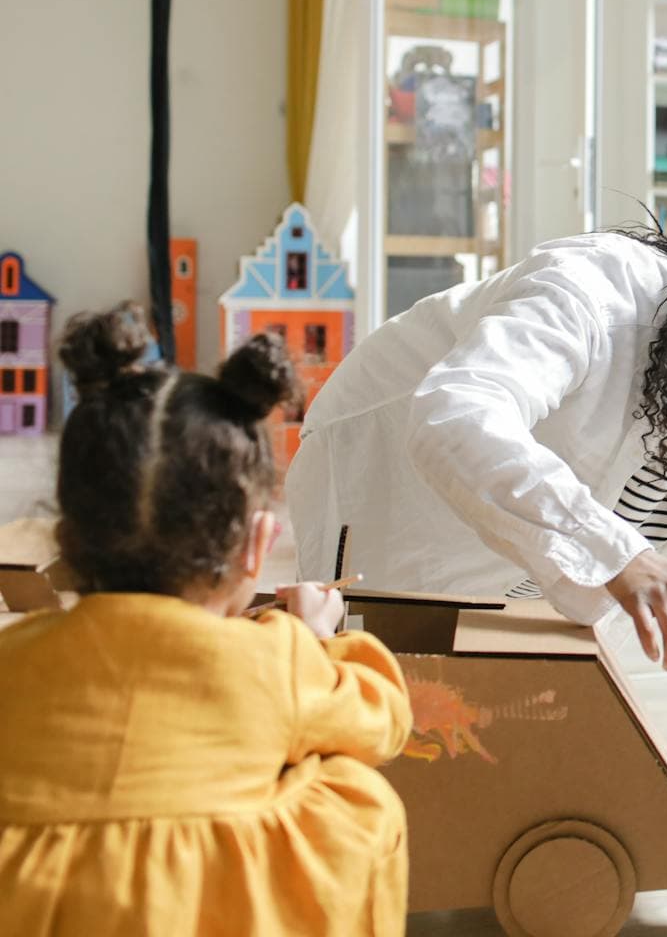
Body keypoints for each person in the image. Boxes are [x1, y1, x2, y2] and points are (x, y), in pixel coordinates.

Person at [287, 188, 667, 807]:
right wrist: (616, 553)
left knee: (476, 751)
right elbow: (458, 416)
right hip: (381, 470)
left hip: (523, 535)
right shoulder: (593, 288)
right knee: (366, 724)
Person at [0, 305, 411, 935]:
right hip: (204, 907)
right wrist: (321, 640)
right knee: (360, 792)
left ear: (68, 534)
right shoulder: (277, 659)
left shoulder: (15, 655)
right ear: (255, 546)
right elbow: (384, 721)